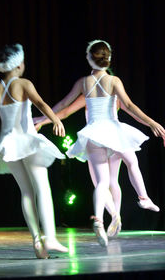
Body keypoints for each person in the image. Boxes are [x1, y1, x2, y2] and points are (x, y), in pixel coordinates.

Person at [33, 40, 165, 247]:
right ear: (109, 58)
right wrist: (152, 123)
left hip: (94, 134)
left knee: (103, 182)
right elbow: (129, 106)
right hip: (114, 133)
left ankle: (102, 219)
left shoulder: (84, 84)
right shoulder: (113, 82)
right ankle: (142, 198)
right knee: (129, 164)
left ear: (89, 58)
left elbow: (63, 107)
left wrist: (42, 120)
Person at [0, 43, 69, 259]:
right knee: (42, 187)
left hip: (7, 145)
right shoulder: (23, 83)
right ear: (19, 64)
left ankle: (37, 243)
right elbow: (40, 103)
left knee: (26, 192)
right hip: (26, 141)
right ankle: (49, 236)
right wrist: (56, 119)